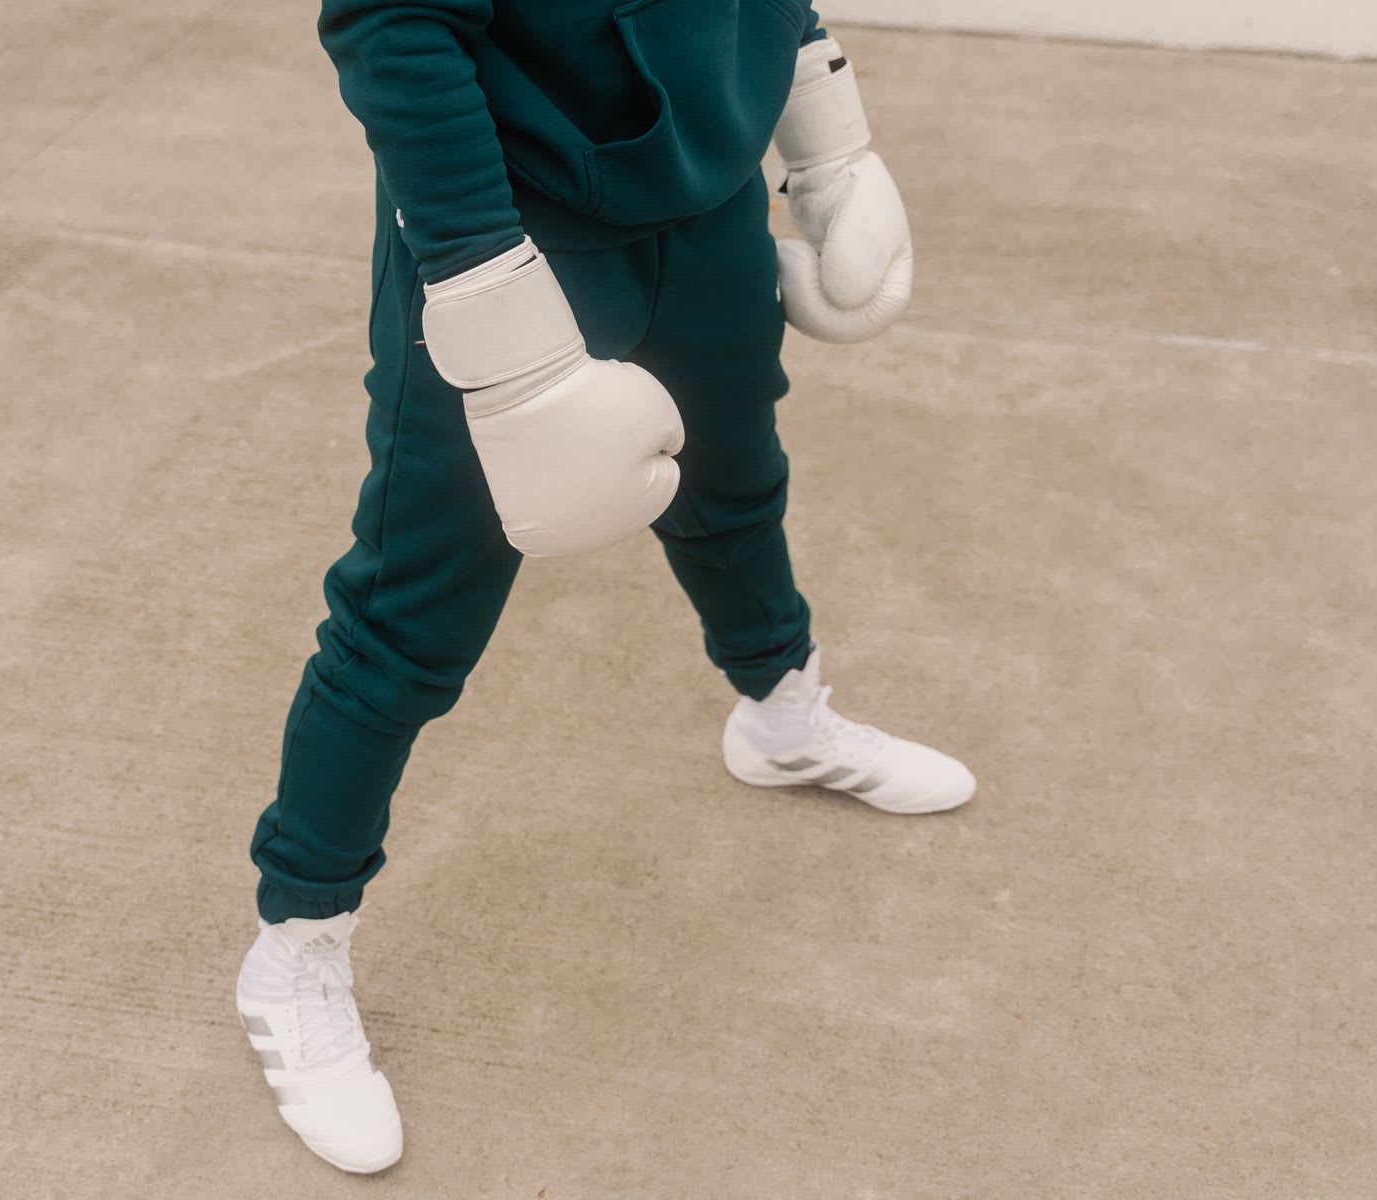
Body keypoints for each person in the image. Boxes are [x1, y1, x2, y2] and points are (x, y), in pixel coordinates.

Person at [234, 0, 975, 1173]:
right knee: (412, 610)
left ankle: (784, 721)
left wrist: (827, 137)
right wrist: (498, 308)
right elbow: (394, 24)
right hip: (517, 234)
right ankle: (296, 949)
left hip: (710, 205)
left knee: (735, 491)